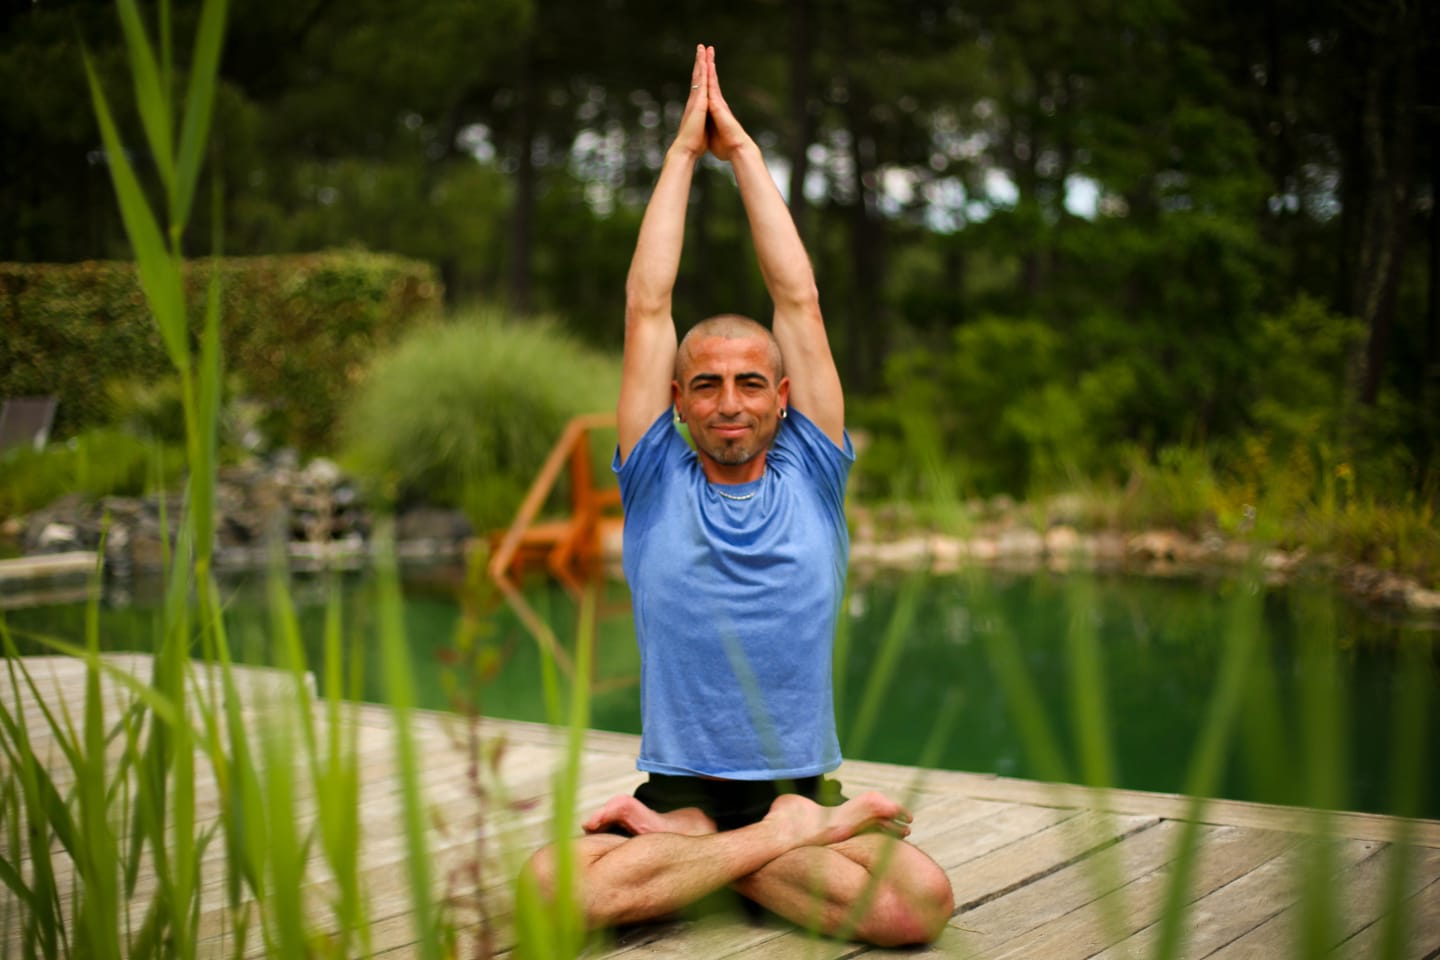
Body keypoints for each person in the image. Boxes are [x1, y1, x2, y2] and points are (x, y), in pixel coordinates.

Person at [522, 45, 954, 946]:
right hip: (681, 797)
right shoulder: (652, 478)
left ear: (784, 396)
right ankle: (782, 849)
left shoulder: (814, 473)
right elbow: (649, 304)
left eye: (751, 383)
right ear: (676, 401)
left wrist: (746, 156)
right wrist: (680, 157)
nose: (729, 402)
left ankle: (707, 867)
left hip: (796, 778)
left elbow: (798, 297)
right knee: (542, 896)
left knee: (919, 907)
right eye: (707, 383)